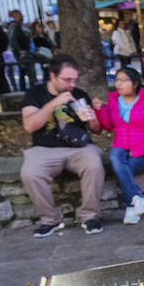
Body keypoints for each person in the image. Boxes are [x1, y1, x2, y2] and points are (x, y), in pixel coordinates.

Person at [19, 53, 104, 236]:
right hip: (44, 149)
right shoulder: (35, 94)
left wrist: (92, 118)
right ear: (52, 76)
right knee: (30, 173)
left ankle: (90, 216)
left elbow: (96, 130)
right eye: (67, 80)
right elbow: (30, 125)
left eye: (74, 80)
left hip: (78, 149)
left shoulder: (80, 95)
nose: (72, 85)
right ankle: (50, 220)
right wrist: (54, 103)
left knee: (94, 164)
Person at [95, 67, 144, 224]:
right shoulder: (113, 100)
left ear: (135, 84)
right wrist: (100, 111)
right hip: (121, 145)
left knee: (124, 169)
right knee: (115, 158)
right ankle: (138, 199)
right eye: (117, 80)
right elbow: (107, 126)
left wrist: (139, 150)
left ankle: (130, 207)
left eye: (124, 80)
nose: (119, 84)